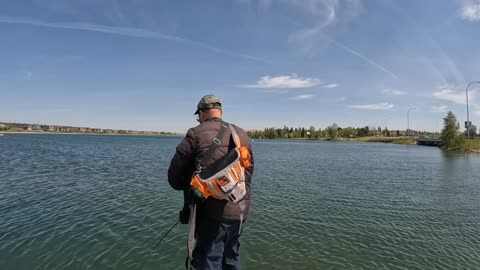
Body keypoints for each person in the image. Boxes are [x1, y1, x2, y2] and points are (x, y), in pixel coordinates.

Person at [168, 94, 254, 270]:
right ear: (219, 111)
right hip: (240, 210)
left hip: (211, 213)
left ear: (203, 112)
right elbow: (248, 172)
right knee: (231, 258)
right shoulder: (241, 134)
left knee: (208, 260)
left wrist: (190, 187)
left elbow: (174, 176)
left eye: (198, 115)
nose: (199, 119)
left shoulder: (195, 133)